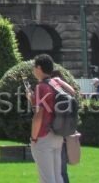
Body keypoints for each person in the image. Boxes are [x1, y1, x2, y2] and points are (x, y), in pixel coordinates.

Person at [28, 54, 64, 183]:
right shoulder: (55, 84)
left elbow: (38, 115)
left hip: (44, 135)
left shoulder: (41, 87)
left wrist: (33, 138)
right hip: (58, 133)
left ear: (38, 68)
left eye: (34, 67)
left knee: (46, 178)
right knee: (57, 176)